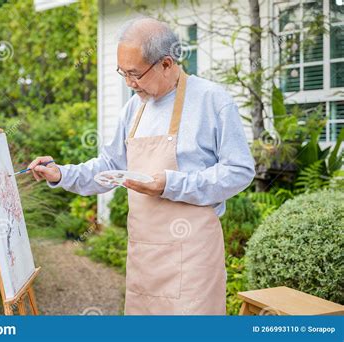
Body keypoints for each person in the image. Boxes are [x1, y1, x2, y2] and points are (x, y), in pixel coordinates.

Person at [27, 17, 255, 315]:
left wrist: (170, 184)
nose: (129, 83)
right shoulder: (134, 108)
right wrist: (61, 173)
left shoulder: (212, 101)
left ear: (166, 64)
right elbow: (110, 166)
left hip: (193, 258)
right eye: (123, 73)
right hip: (145, 257)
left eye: (135, 74)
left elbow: (240, 170)